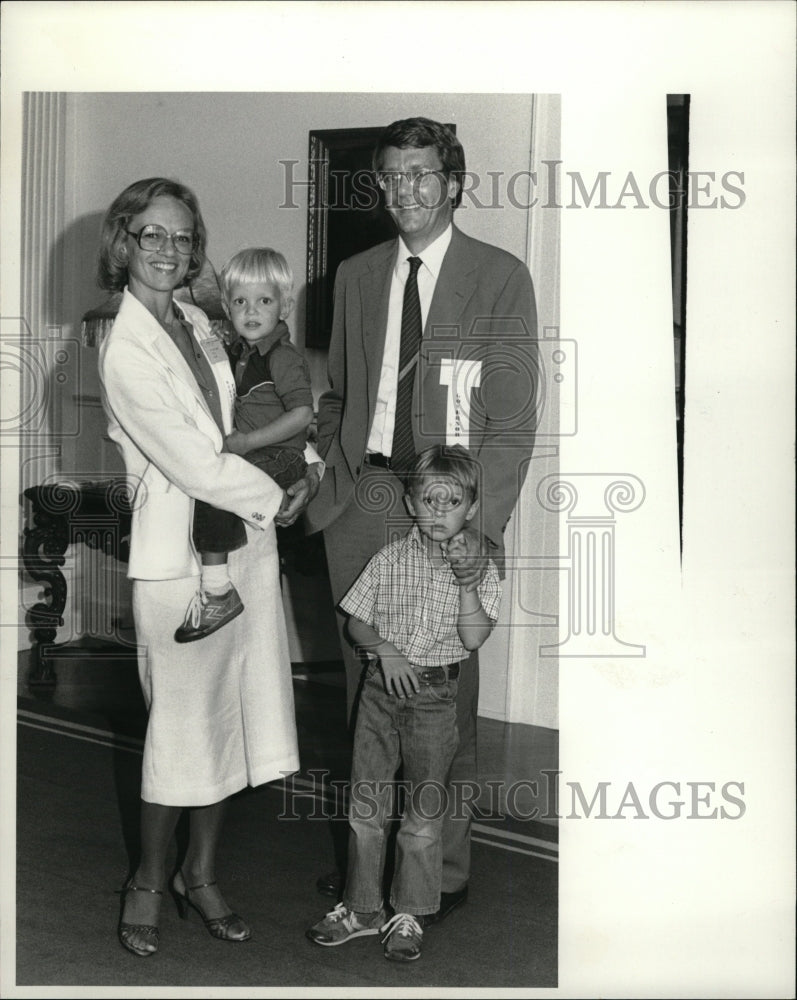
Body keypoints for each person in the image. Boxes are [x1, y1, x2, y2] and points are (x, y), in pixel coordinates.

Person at [305, 117, 538, 920]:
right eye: (393, 176)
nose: (405, 190)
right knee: (364, 688)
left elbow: (510, 421)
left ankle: (436, 872)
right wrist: (321, 475)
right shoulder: (356, 273)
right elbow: (338, 391)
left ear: (452, 183)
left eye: (422, 175)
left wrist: (481, 528)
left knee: (443, 693)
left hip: (445, 510)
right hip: (363, 499)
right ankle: (365, 872)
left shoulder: (499, 275)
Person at [97, 177, 319, 957]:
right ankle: (147, 883)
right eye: (151, 235)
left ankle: (202, 873)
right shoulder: (122, 347)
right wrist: (272, 496)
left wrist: (306, 467)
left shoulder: (200, 318)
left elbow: (256, 406)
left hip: (244, 550)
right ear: (123, 242)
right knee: (180, 726)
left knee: (232, 715)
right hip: (179, 565)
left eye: (183, 237)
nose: (168, 250)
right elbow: (193, 459)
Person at [306, 445, 501, 962]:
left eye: (452, 500)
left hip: (436, 698)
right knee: (365, 808)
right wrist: (384, 652)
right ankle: (362, 908)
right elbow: (356, 621)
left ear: (471, 509)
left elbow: (475, 636)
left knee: (422, 816)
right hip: (379, 694)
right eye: (428, 499)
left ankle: (410, 912)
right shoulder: (388, 558)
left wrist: (465, 586)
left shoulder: (479, 570)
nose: (439, 510)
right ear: (410, 504)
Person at [175, 247, 314, 643]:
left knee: (218, 489)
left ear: (284, 306)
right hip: (261, 454)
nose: (251, 311)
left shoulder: (282, 357)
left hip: (283, 458)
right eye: (240, 302)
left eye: (265, 301)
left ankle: (217, 589)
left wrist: (247, 441)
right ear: (226, 306)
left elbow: (303, 413)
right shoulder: (237, 351)